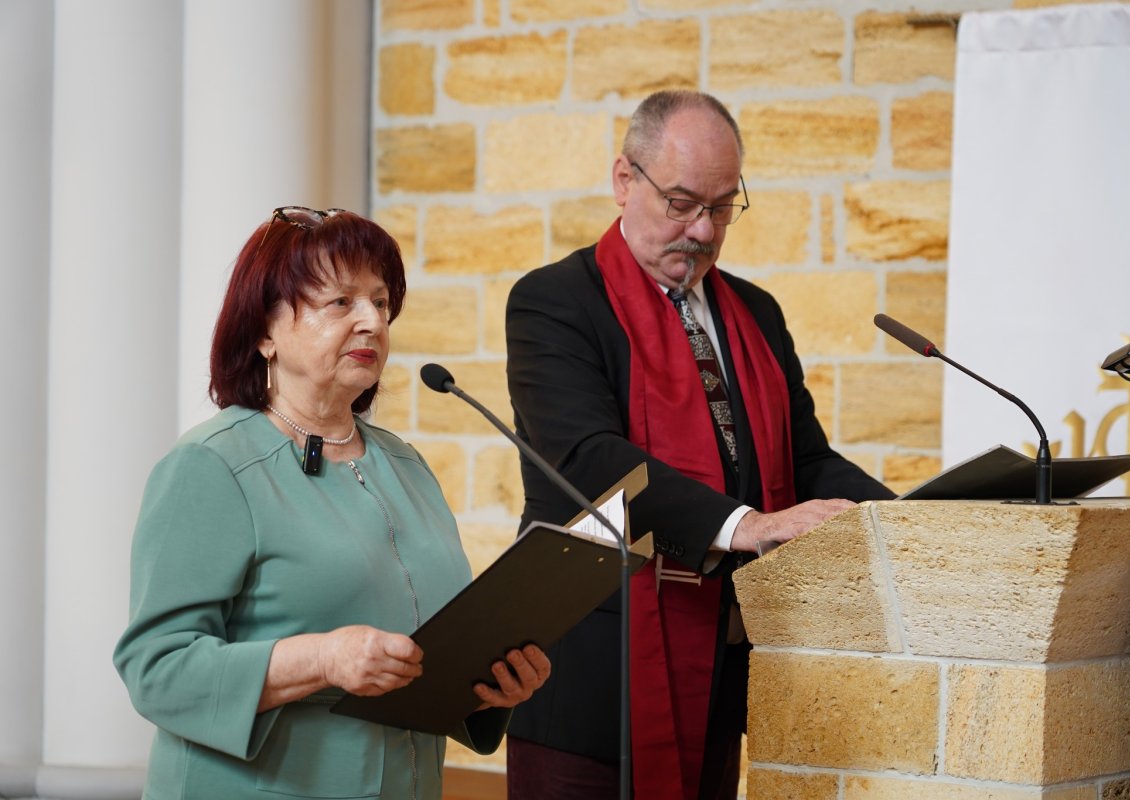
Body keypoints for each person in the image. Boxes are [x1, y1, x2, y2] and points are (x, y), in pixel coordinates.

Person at [504, 90, 895, 799]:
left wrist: (908, 516)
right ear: (625, 179)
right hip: (591, 680)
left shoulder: (755, 312)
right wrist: (746, 526)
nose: (703, 230)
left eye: (721, 206)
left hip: (718, 667)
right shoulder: (555, 302)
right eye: (682, 204)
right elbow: (588, 460)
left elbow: (805, 459)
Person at [114, 207, 550, 800]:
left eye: (380, 301)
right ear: (265, 332)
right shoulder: (213, 465)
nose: (372, 321)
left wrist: (489, 683)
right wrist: (321, 659)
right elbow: (156, 669)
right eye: (341, 302)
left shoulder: (405, 465)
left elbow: (425, 653)